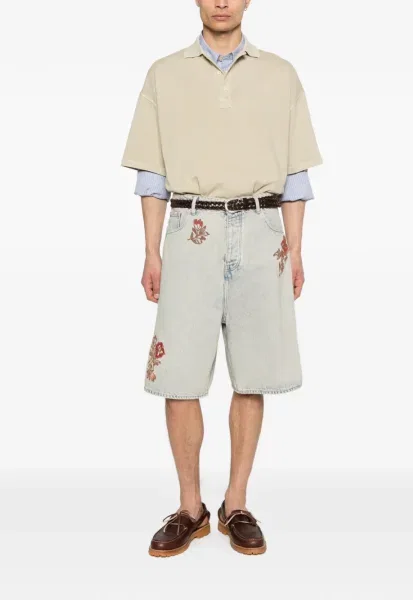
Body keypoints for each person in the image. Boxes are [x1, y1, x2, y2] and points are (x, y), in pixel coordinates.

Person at [120, 0, 323, 557]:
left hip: (263, 227)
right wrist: (150, 250)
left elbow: (296, 174)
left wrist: (296, 249)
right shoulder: (164, 73)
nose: (222, 1)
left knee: (252, 371)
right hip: (191, 226)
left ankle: (236, 503)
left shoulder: (280, 74)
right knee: (179, 373)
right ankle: (190, 508)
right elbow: (152, 174)